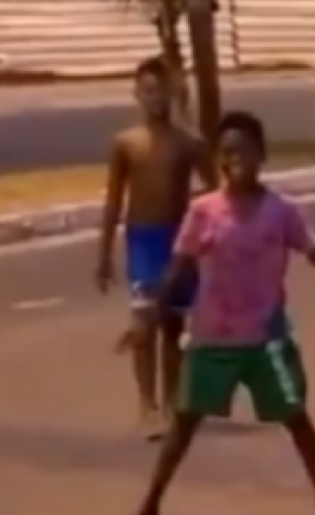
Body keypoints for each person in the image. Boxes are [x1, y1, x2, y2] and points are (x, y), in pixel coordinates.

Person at [120, 110, 315, 515]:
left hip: (266, 339)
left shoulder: (281, 211)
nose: (233, 160)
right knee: (184, 424)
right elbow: (178, 267)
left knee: (296, 418)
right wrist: (152, 312)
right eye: (226, 153)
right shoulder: (204, 211)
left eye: (242, 151)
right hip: (212, 337)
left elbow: (314, 251)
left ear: (261, 155)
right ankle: (150, 504)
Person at [96, 56, 218, 440]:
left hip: (178, 241)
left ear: (172, 92)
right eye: (147, 91)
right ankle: (146, 405)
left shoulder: (188, 143)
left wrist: (211, 238)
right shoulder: (126, 143)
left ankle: (171, 403)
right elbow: (114, 200)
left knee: (172, 327)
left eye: (161, 90)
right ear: (137, 94)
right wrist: (104, 254)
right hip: (143, 241)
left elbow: (215, 191)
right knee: (143, 326)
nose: (155, 98)